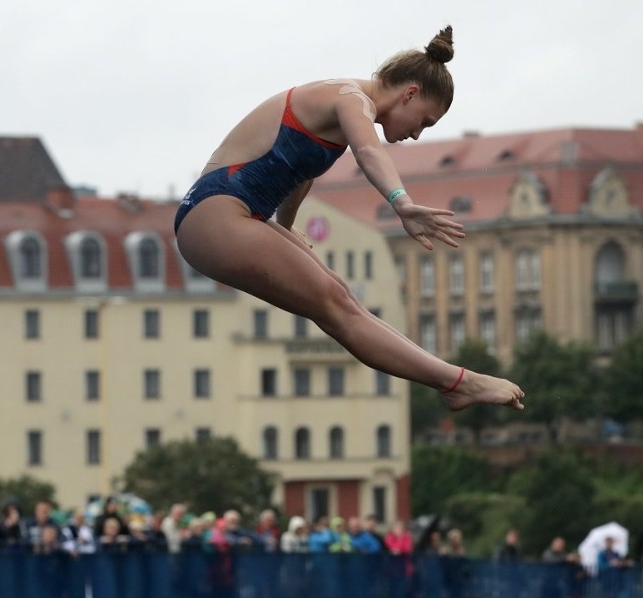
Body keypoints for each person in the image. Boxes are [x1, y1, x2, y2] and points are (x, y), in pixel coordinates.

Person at [172, 26, 525, 413]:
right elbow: (369, 153)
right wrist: (401, 203)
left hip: (236, 213)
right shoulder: (350, 99)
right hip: (217, 211)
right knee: (338, 306)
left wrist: (286, 232)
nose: (417, 135)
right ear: (409, 93)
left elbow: (299, 175)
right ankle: (458, 382)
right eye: (423, 121)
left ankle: (453, 379)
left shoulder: (338, 111)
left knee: (342, 296)